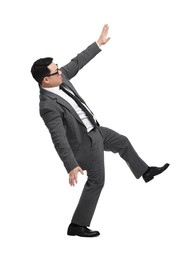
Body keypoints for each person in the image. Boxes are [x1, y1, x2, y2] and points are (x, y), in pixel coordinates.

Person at [31, 24, 169, 237]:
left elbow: (77, 62)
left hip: (96, 130)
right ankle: (77, 225)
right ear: (45, 80)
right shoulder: (47, 106)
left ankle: (145, 171)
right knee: (97, 181)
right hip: (85, 144)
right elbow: (58, 138)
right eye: (56, 71)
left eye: (58, 68)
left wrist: (98, 44)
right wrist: (71, 165)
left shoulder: (62, 78)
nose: (61, 71)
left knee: (122, 142)